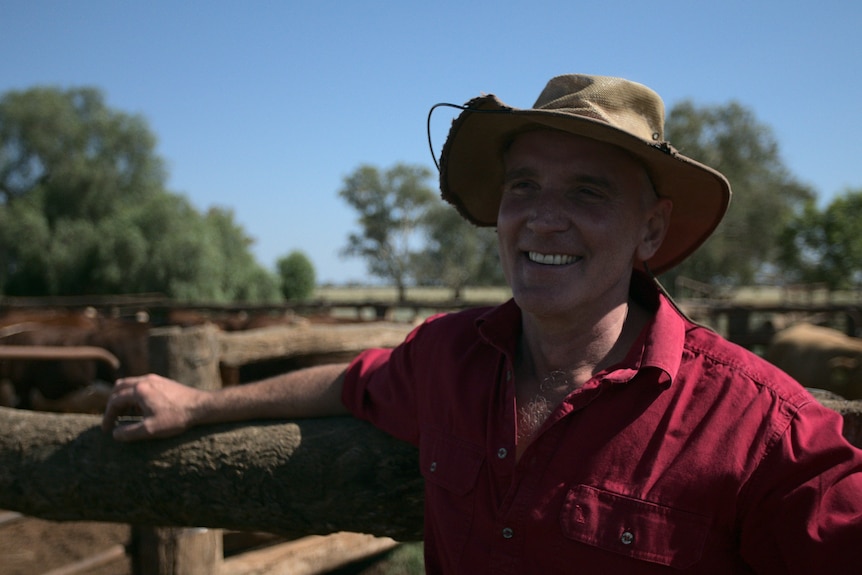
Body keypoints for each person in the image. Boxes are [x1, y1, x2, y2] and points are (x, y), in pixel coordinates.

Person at [102, 74, 862, 574]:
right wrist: (197, 404)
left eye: (588, 192)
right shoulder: (451, 357)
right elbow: (351, 381)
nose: (543, 216)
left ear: (651, 232)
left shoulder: (757, 427)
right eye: (523, 185)